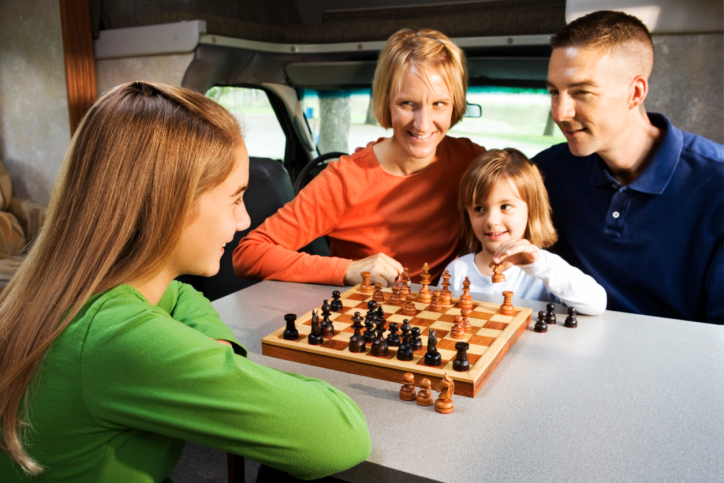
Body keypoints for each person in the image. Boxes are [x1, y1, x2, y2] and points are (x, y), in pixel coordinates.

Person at [0, 82, 370, 481]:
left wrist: (215, 346)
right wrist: (223, 369)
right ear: (171, 203)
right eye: (235, 198)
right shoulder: (119, 338)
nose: (245, 220)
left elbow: (180, 293)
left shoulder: (78, 289)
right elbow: (342, 436)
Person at [233, 28, 486, 287]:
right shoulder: (344, 180)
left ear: (455, 104)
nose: (423, 124)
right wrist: (350, 270)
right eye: (407, 104)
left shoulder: (471, 160)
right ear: (386, 102)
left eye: (439, 104)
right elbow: (249, 254)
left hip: (442, 314)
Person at [533, 11, 723, 323]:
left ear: (635, 92)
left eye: (581, 92)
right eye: (554, 91)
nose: (561, 111)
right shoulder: (546, 171)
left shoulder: (717, 181)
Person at [444, 149, 606, 315]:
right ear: (467, 213)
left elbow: (597, 304)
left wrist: (541, 264)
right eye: (479, 208)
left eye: (505, 206)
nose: (491, 220)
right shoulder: (457, 271)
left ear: (532, 209)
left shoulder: (544, 271)